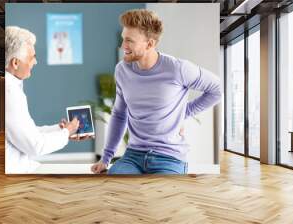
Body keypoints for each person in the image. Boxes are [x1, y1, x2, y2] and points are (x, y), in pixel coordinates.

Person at [91, 9, 222, 175]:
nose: (123, 45)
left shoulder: (178, 69)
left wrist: (183, 114)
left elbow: (217, 89)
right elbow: (119, 114)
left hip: (169, 157)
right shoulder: (122, 70)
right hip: (133, 156)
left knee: (162, 196)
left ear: (150, 44)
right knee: (117, 189)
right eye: (123, 39)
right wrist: (106, 158)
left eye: (129, 41)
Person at [5, 26, 89, 174]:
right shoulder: (10, 92)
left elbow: (28, 133)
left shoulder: (11, 87)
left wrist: (61, 130)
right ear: (15, 63)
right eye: (32, 58)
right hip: (18, 173)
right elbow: (35, 146)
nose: (35, 62)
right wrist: (66, 133)